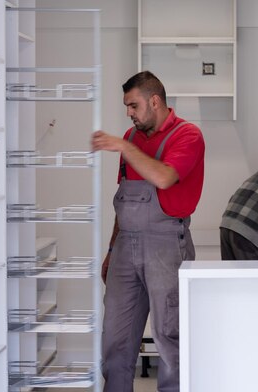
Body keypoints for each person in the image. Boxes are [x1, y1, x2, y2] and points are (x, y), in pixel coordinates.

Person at [91, 70, 205, 392]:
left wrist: (124, 149)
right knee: (115, 338)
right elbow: (124, 199)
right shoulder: (130, 138)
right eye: (127, 107)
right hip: (126, 244)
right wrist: (113, 251)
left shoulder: (188, 135)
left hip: (166, 244)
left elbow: (166, 177)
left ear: (154, 101)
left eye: (133, 105)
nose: (129, 113)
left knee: (170, 339)